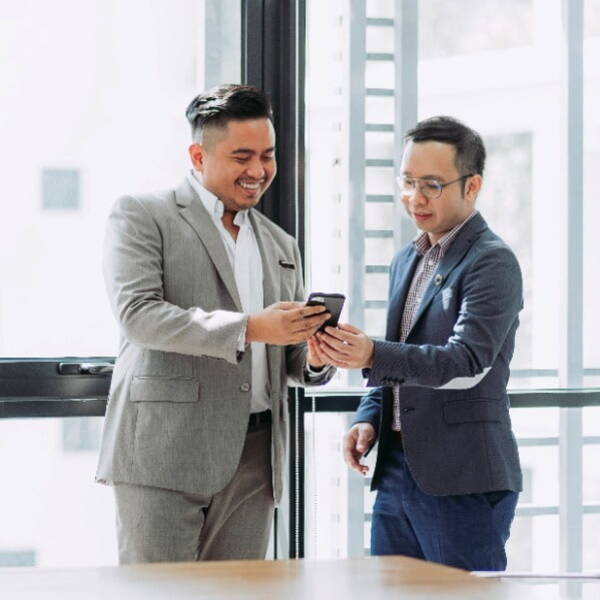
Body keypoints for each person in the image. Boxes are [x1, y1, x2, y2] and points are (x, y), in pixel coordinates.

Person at [96, 84, 335, 564]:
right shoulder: (144, 215)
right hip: (164, 451)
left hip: (257, 458)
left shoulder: (281, 244)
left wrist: (312, 355)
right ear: (198, 155)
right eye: (241, 156)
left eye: (267, 155)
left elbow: (282, 355)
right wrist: (250, 327)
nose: (258, 171)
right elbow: (139, 316)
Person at [310, 116, 523, 571]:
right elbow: (400, 353)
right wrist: (370, 416)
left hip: (461, 478)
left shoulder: (492, 262)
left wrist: (370, 353)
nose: (415, 197)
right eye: (407, 182)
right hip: (395, 469)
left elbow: (466, 362)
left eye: (431, 184)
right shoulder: (407, 258)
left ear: (472, 186)